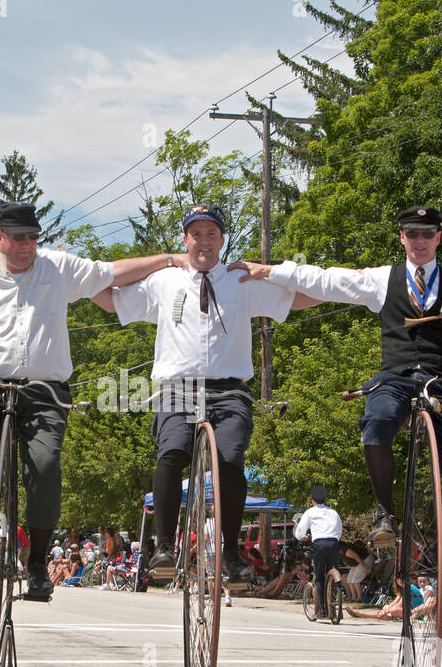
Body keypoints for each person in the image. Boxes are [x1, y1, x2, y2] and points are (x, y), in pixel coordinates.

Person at [0, 201, 187, 601]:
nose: (27, 245)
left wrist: (172, 259)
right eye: (18, 237)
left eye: (33, 237)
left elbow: (113, 272)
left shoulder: (57, 268)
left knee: (46, 464)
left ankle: (36, 564)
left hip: (45, 389)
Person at [236, 206, 442, 609]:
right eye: (412, 234)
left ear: (438, 237)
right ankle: (385, 513)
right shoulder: (384, 279)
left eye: (427, 234)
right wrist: (271, 270)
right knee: (377, 419)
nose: (419, 241)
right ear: (401, 236)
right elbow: (328, 280)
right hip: (395, 378)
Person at [94, 203, 317, 585]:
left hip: (229, 390)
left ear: (222, 240)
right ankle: (164, 547)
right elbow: (107, 293)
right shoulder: (165, 281)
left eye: (211, 233)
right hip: (178, 388)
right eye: (196, 233)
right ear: (185, 239)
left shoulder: (239, 280)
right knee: (171, 453)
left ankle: (230, 551)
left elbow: (305, 298)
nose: (203, 241)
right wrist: (161, 261)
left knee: (230, 460)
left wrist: (271, 270)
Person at [293, 484, 343, 619]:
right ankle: (337, 607)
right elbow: (339, 532)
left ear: (312, 500)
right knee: (333, 570)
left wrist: (301, 537)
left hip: (319, 544)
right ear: (326, 500)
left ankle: (321, 611)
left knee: (319, 577)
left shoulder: (310, 512)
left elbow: (299, 531)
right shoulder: (334, 513)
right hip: (333, 544)